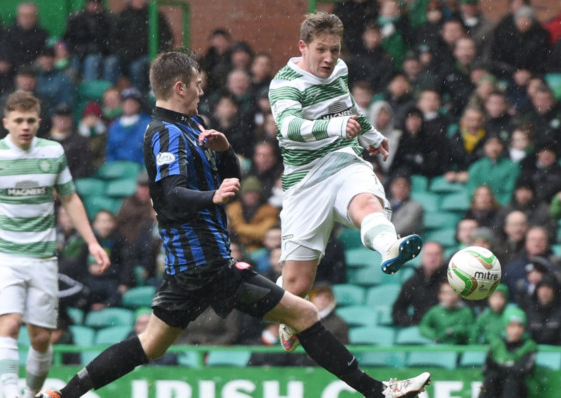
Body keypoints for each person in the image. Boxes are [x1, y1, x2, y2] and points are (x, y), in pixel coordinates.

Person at [37, 50, 430, 398]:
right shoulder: (165, 134)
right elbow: (171, 195)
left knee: (151, 344)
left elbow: (230, 176)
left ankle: (63, 394)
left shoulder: (192, 125)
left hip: (189, 269)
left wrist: (225, 154)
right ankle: (379, 391)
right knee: (305, 315)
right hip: (206, 264)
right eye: (196, 85)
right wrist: (212, 196)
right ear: (179, 87)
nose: (201, 91)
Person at [268, 11, 422, 352]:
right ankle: (287, 313)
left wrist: (368, 133)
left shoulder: (339, 69)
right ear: (302, 47)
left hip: (344, 163)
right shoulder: (284, 84)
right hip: (306, 182)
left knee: (367, 203)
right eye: (321, 50)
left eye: (335, 50)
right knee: (297, 284)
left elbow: (346, 104)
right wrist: (335, 127)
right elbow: (290, 127)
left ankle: (389, 248)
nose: (328, 58)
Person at [0, 91, 110, 398]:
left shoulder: (53, 152)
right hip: (3, 254)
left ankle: (30, 395)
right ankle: (10, 394)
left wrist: (93, 242)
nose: (25, 126)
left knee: (42, 337)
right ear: (7, 122)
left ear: (39, 122)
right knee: (10, 324)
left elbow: (69, 198)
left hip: (43, 257)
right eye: (18, 121)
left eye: (30, 120)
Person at [479, 307, 537, 398]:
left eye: (520, 326)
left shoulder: (529, 346)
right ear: (505, 326)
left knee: (511, 381)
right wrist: (507, 367)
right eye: (512, 325)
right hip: (497, 385)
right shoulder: (496, 344)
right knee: (490, 379)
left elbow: (523, 369)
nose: (516, 330)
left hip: (519, 389)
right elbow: (486, 369)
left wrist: (500, 367)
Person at [392, 241, 447, 326]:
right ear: (422, 258)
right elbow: (398, 310)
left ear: (443, 257)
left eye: (437, 254)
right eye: (429, 255)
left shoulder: (450, 279)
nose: (433, 258)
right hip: (419, 327)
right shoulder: (413, 282)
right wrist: (413, 323)